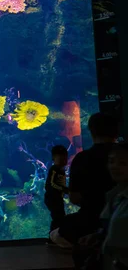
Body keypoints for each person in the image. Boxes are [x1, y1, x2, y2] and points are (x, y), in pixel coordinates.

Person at [51, 113, 118, 252]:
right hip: (120, 217)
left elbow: (74, 198)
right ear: (116, 131)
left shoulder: (82, 158)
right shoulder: (122, 154)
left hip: (91, 219)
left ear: (91, 131)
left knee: (55, 234)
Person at [79, 142, 128, 269]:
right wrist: (99, 236)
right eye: (111, 161)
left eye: (123, 163)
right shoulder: (115, 196)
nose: (114, 167)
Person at [45, 145, 69, 241]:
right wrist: (64, 189)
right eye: (61, 158)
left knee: (59, 217)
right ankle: (53, 238)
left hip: (57, 198)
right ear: (54, 158)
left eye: (65, 158)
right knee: (58, 218)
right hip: (52, 198)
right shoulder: (54, 169)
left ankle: (56, 238)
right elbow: (52, 184)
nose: (64, 160)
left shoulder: (61, 170)